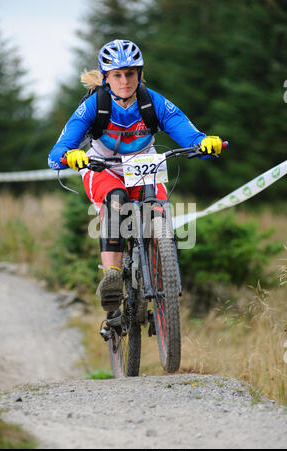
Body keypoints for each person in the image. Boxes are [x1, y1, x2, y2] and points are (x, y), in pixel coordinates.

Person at [48, 39, 223, 314]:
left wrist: (205, 143)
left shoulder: (153, 102)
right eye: (117, 75)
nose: (124, 81)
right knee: (116, 200)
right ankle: (113, 276)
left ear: (139, 74)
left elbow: (186, 132)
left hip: (143, 164)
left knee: (158, 213)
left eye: (130, 74)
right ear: (106, 78)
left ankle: (158, 271)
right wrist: (69, 156)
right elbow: (58, 150)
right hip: (101, 166)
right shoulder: (95, 106)